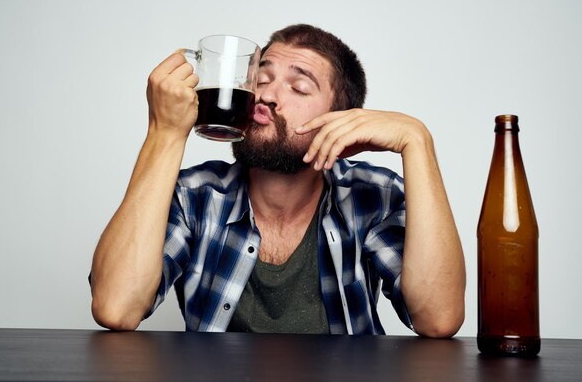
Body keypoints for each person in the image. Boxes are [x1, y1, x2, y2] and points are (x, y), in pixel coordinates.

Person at [89, 24, 466, 336]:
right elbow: (116, 307)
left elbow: (438, 319)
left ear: (344, 118)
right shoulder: (195, 197)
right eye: (261, 78)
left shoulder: (372, 197)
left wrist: (418, 142)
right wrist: (165, 133)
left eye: (298, 87)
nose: (266, 95)